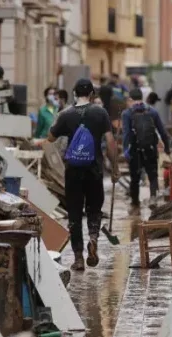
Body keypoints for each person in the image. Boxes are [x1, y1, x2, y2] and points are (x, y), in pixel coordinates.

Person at [46, 79, 119, 271]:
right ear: (93, 94)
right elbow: (110, 143)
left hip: (73, 171)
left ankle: (78, 258)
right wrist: (115, 167)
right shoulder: (100, 112)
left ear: (74, 93)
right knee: (94, 209)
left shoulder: (66, 114)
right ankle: (93, 238)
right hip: (94, 169)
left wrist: (61, 121)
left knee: (75, 214)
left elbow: (50, 137)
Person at [122, 88, 171, 208]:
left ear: (130, 99)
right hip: (150, 148)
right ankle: (153, 198)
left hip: (134, 149)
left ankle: (135, 203)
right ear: (142, 98)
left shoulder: (127, 113)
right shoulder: (152, 111)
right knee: (152, 175)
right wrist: (167, 148)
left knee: (135, 177)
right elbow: (163, 132)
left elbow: (127, 134)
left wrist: (125, 150)